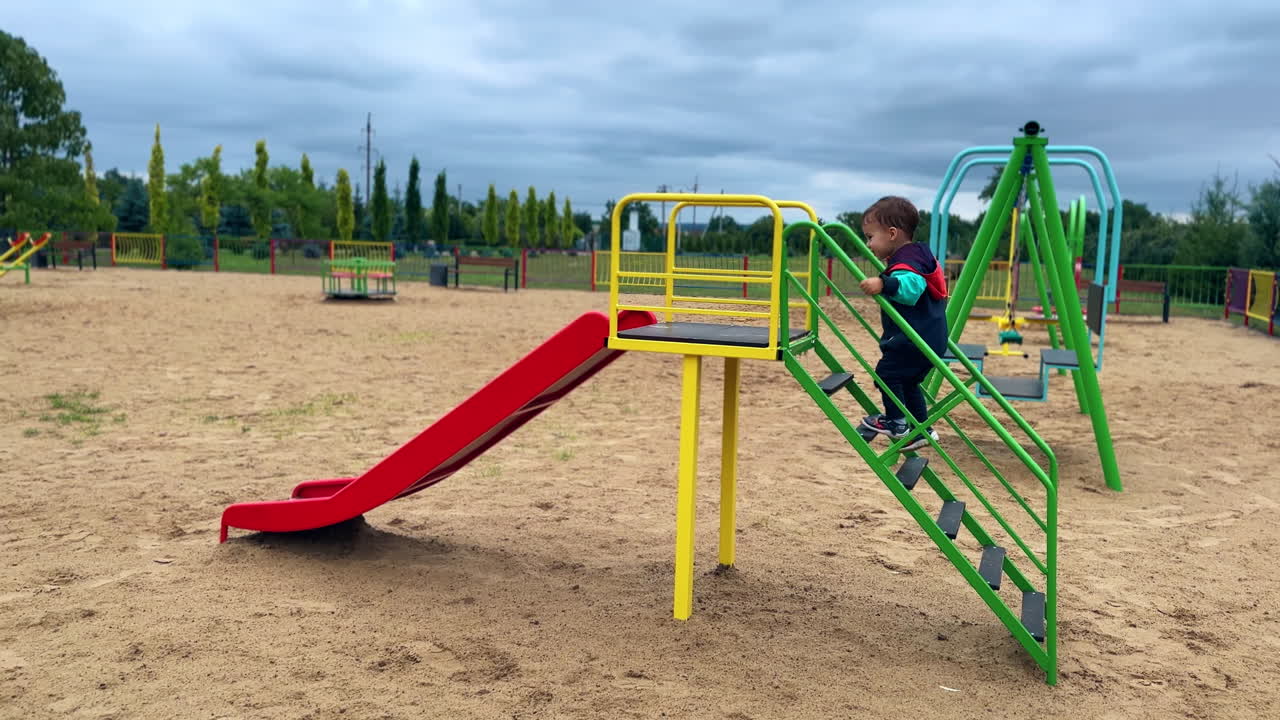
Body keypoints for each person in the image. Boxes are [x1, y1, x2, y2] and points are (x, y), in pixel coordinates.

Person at [856, 196, 948, 451]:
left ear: (892, 233)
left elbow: (912, 289)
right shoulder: (918, 255)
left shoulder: (907, 263)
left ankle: (896, 422)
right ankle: (922, 429)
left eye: (871, 236)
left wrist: (883, 283)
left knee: (887, 374)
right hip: (930, 338)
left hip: (914, 339)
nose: (869, 243)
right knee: (908, 382)